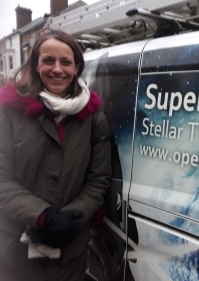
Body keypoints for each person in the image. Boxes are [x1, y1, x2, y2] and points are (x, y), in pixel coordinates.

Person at [0, 28, 111, 280]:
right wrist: (44, 217)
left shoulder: (94, 119)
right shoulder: (9, 113)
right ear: (36, 65)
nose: (57, 69)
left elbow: (99, 180)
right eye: (48, 60)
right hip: (14, 252)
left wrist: (70, 220)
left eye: (66, 62)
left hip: (69, 253)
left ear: (77, 68)